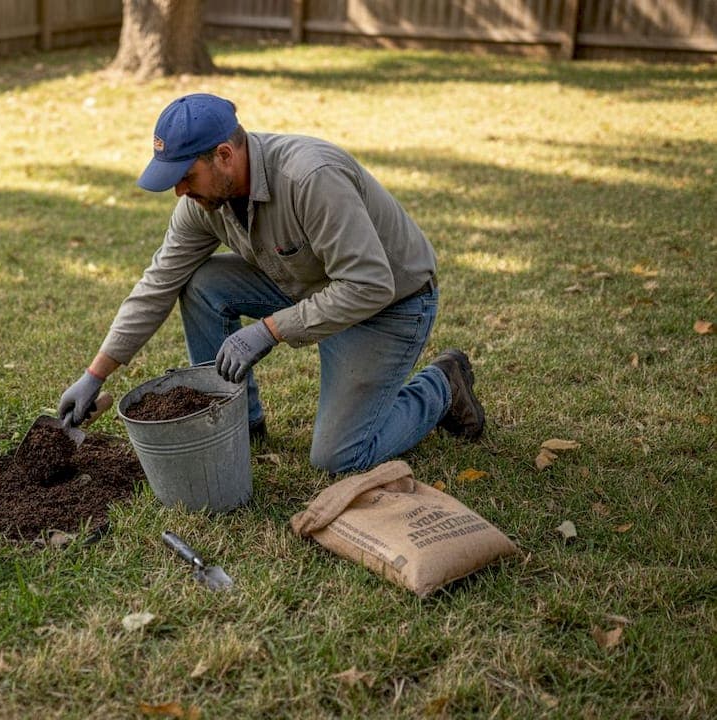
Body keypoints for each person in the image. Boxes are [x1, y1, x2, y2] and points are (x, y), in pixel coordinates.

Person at [57, 93, 484, 475]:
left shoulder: (310, 178)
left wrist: (270, 329)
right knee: (201, 282)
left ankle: (442, 385)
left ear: (224, 155)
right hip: (309, 285)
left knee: (338, 458)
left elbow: (369, 285)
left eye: (185, 176)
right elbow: (158, 283)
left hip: (388, 304)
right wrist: (97, 374)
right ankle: (237, 421)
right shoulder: (203, 204)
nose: (178, 191)